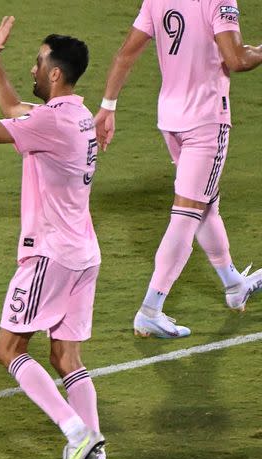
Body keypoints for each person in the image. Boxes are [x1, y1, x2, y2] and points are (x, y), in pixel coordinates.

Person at [0, 17, 114, 459]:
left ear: (56, 74)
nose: (34, 69)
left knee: (8, 350)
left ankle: (79, 435)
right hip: (84, 253)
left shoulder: (49, 121)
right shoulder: (75, 115)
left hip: (50, 254)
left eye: (38, 62)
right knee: (67, 357)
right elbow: (11, 107)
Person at [95, 0, 262, 338]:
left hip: (170, 120)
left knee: (205, 204)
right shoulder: (219, 1)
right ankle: (150, 309)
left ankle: (234, 285)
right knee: (187, 213)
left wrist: (107, 107)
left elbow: (126, 52)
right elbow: (237, 59)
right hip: (205, 120)